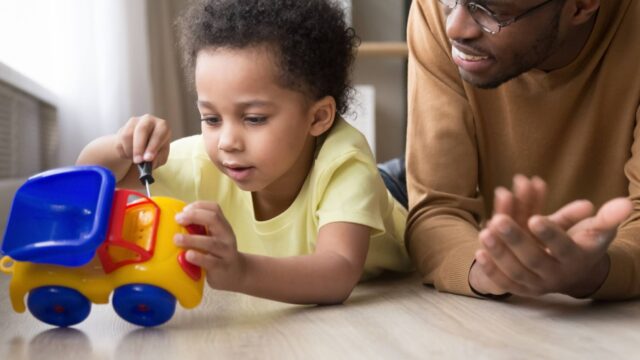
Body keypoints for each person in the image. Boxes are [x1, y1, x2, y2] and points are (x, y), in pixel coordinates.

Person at [77, 0, 412, 305]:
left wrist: (242, 271)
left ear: (318, 117)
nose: (227, 142)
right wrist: (122, 146)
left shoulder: (344, 162)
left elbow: (337, 272)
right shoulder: (203, 161)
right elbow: (92, 183)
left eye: (253, 118)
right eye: (211, 118)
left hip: (399, 195)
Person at [405, 0, 640, 300]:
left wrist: (593, 272)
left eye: (492, 11)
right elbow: (437, 207)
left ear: (581, 6)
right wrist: (489, 270)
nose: (454, 28)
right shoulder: (435, 13)